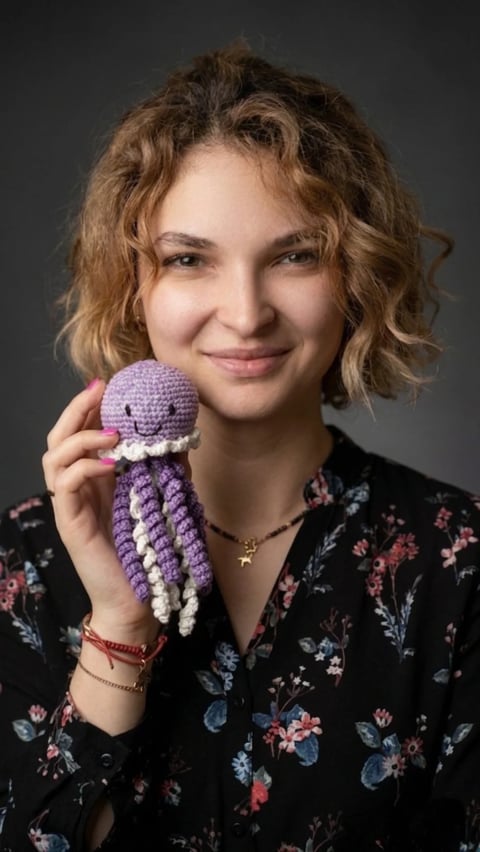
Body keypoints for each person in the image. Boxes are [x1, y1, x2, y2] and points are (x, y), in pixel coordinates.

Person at [0, 42, 479, 852]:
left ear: (356, 274)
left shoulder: (457, 563)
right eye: (190, 260)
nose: (246, 312)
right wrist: (119, 624)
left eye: (295, 256)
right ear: (134, 285)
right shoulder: (28, 562)